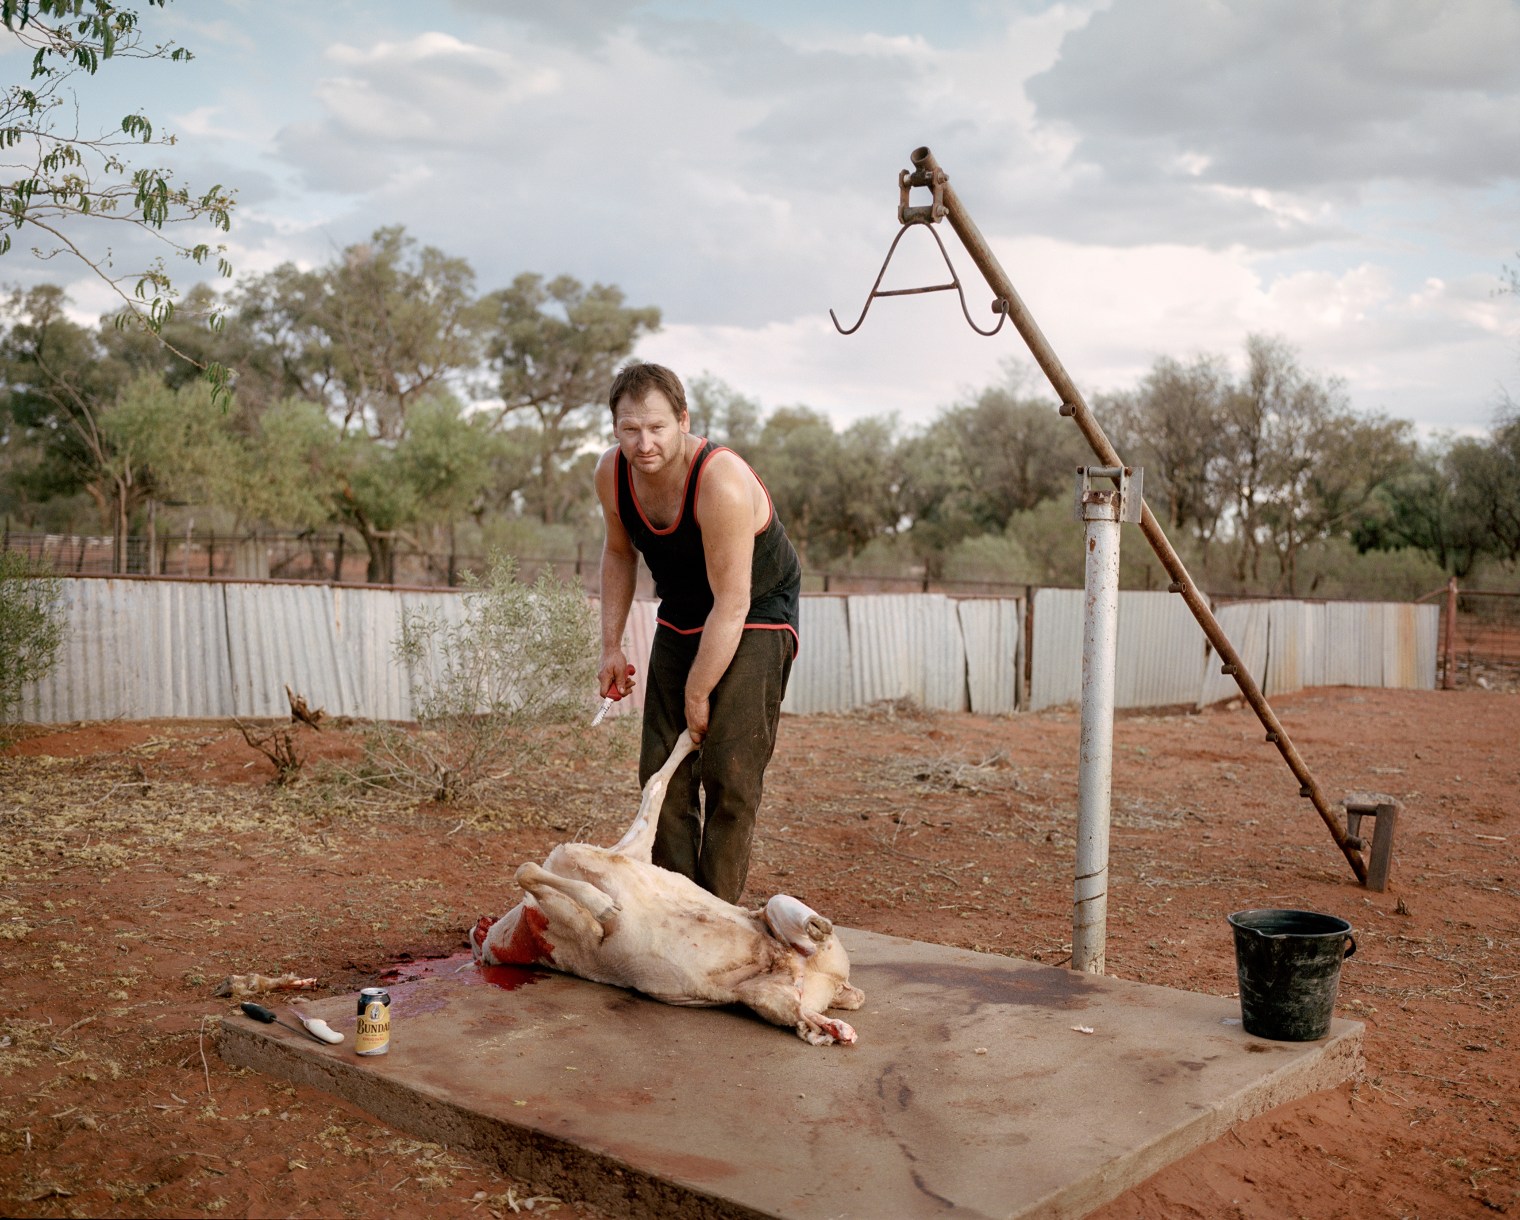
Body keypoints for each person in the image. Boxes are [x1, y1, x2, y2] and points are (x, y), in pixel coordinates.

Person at [595, 361, 801, 904]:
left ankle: (717, 917)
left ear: (683, 420)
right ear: (615, 428)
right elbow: (619, 555)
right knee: (661, 770)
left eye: (658, 427)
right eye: (630, 429)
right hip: (685, 607)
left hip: (755, 605)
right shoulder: (611, 476)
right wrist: (611, 646)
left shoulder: (721, 481)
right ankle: (679, 908)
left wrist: (697, 690)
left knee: (731, 771)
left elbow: (731, 604)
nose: (644, 443)